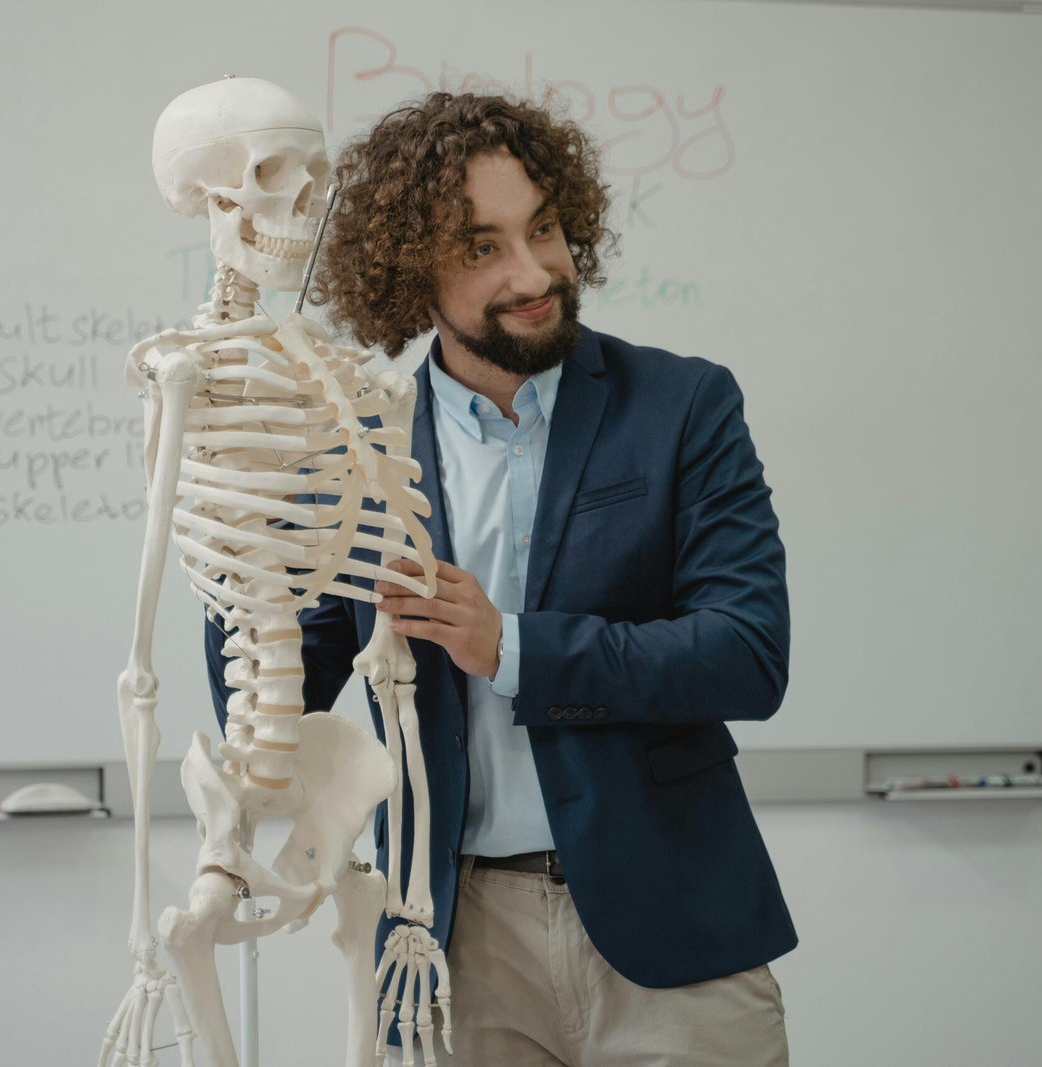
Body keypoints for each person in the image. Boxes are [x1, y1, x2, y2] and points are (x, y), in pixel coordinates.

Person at [205, 91, 794, 1066]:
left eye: (544, 229)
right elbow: (276, 692)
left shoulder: (683, 404)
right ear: (409, 272)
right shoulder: (354, 448)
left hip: (674, 927)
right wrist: (240, 538)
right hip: (449, 939)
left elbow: (746, 654)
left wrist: (510, 645)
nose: (533, 273)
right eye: (482, 247)